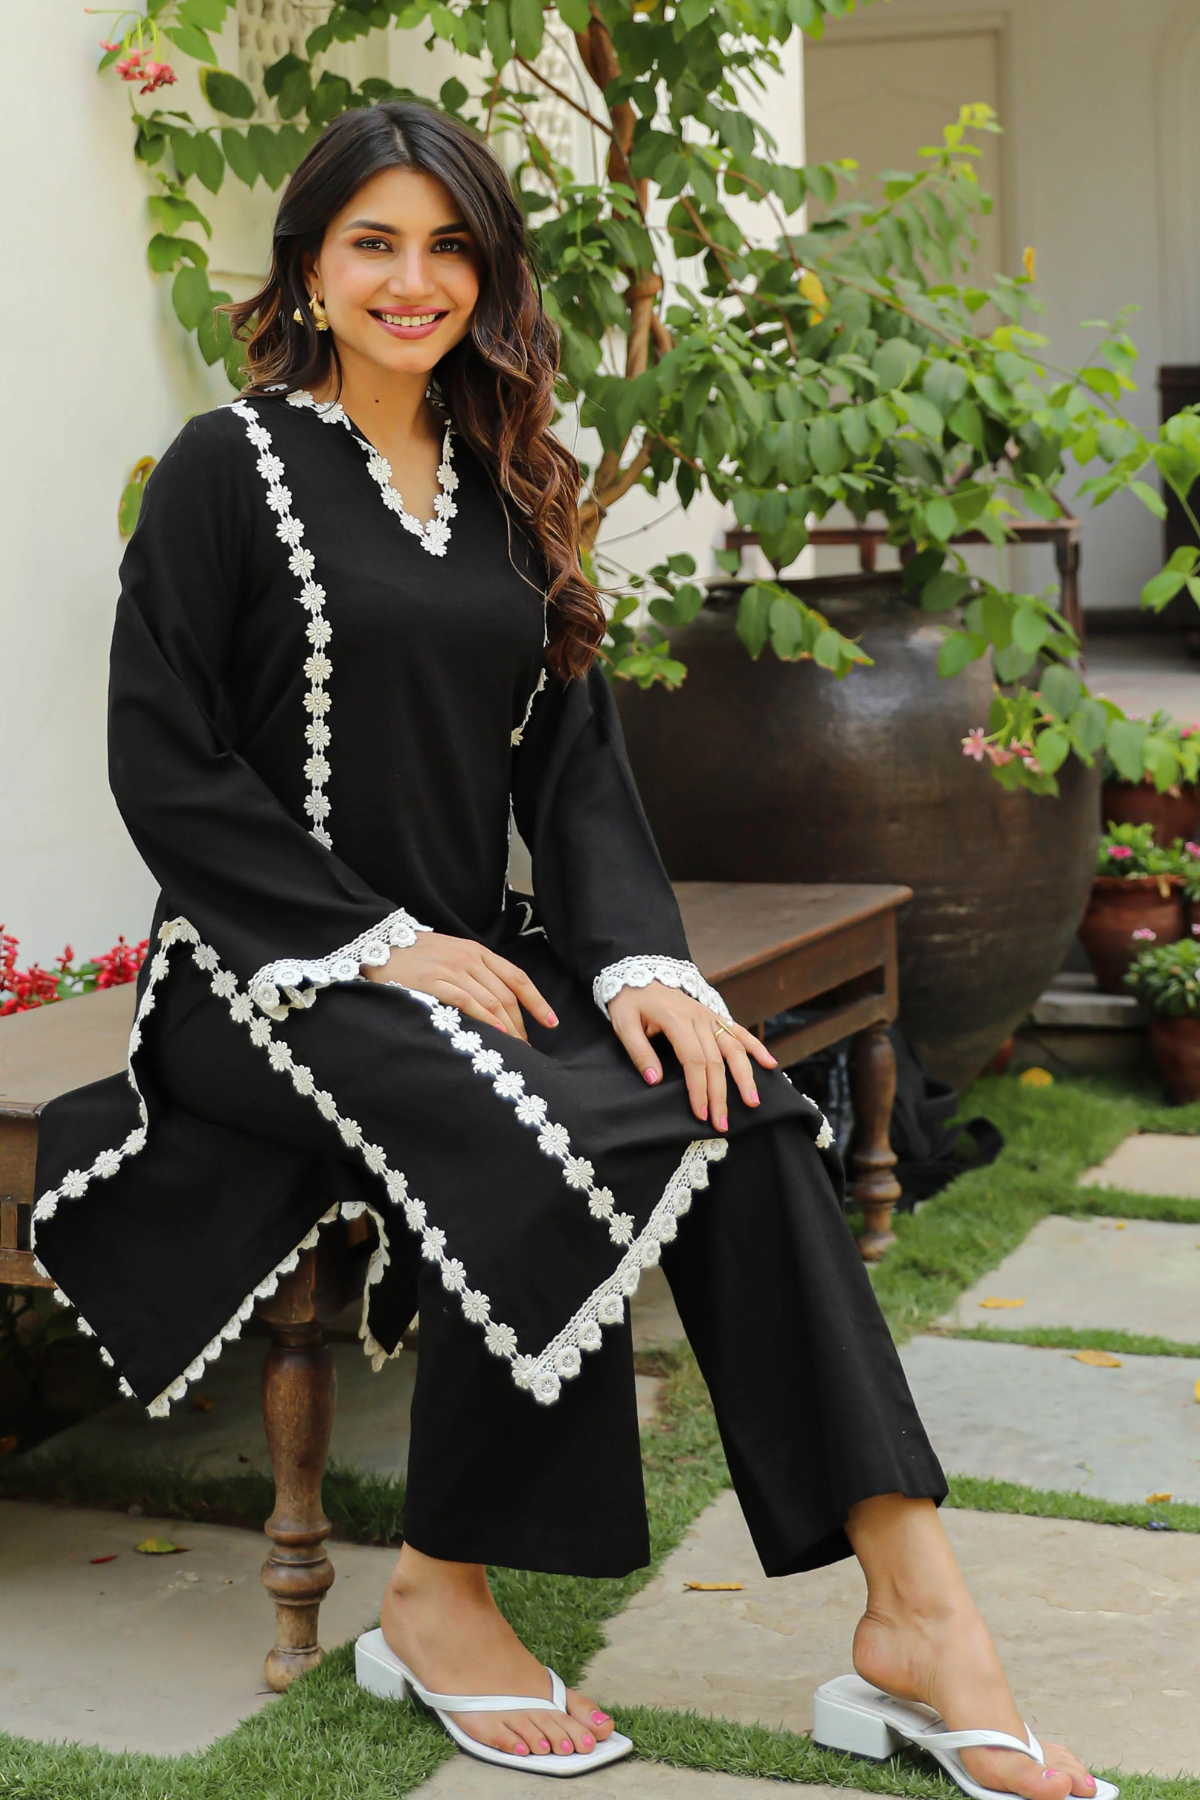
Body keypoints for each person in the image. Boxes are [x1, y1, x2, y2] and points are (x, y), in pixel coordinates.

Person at [33, 102, 1102, 1792]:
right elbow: (162, 761)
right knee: (547, 1131)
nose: (414, 280)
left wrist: (645, 969)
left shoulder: (511, 483)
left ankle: (918, 1611)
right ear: (308, 265)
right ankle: (440, 1600)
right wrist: (373, 939)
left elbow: (577, 771)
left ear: (491, 272)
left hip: (473, 960)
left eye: (450, 246)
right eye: (374, 243)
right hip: (261, 976)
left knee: (743, 1104)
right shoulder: (226, 469)